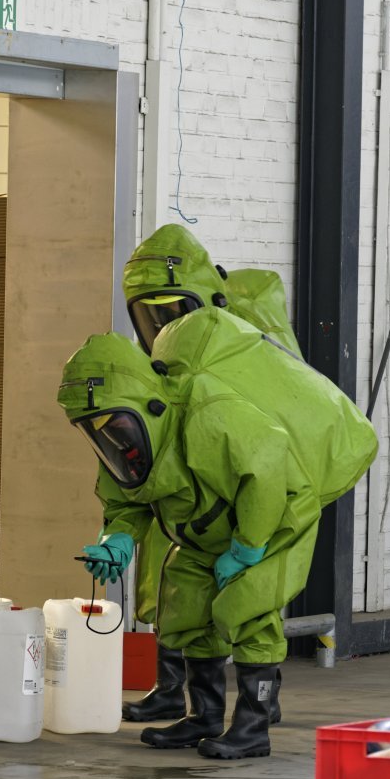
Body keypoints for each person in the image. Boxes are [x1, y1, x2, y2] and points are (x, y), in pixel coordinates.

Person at [61, 332, 321, 760]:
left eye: (113, 422)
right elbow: (127, 499)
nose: (109, 435)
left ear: (148, 403)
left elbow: (265, 471)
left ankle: (253, 727)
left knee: (248, 608)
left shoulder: (209, 409)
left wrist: (247, 548)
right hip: (202, 535)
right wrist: (117, 539)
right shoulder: (124, 434)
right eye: (96, 427)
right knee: (186, 608)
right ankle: (204, 716)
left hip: (274, 520)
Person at [104, 225, 301, 725]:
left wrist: (252, 535)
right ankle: (177, 692)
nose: (163, 326)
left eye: (173, 310)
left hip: (243, 482)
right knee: (172, 582)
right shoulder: (163, 366)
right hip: (187, 489)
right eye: (150, 315)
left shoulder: (244, 344)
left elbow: (275, 431)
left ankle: (260, 704)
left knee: (252, 592)